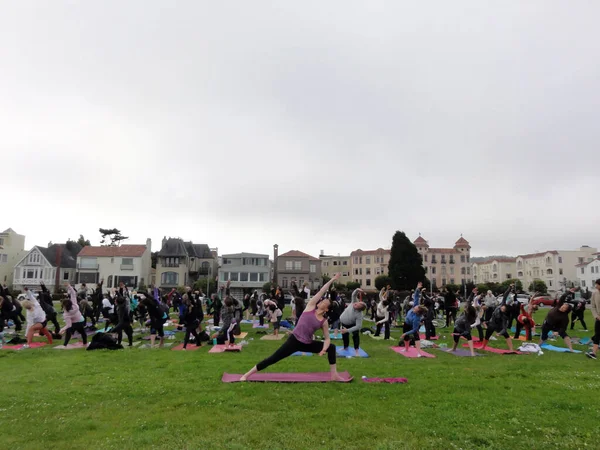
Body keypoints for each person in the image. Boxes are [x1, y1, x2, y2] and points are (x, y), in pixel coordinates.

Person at [239, 274, 345, 382]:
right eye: (322, 300)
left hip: (307, 344)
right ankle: (247, 375)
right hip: (294, 341)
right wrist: (332, 279)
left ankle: (334, 375)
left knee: (331, 347)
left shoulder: (324, 321)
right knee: (273, 358)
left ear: (326, 309)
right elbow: (322, 290)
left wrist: (323, 349)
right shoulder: (311, 306)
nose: (321, 301)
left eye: (324, 302)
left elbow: (327, 338)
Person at [480, 286, 515, 352]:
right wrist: (509, 288)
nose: (502, 308)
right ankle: (483, 346)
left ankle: (511, 349)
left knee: (506, 335)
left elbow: (504, 328)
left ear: (505, 311)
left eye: (503, 309)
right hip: (492, 324)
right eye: (503, 307)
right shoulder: (502, 304)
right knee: (487, 335)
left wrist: (500, 333)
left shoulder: (504, 317)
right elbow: (505, 295)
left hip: (499, 327)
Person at [339, 288, 366, 356]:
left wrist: (348, 330)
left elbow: (358, 326)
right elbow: (353, 295)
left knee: (355, 336)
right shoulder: (354, 302)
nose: (355, 304)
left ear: (359, 309)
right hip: (344, 323)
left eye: (357, 305)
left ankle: (356, 350)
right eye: (357, 303)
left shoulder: (359, 315)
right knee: (344, 336)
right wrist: (357, 290)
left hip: (352, 324)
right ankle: (345, 347)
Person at [586, 279, 600, 359]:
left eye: (597, 285)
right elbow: (593, 306)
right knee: (597, 335)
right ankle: (593, 353)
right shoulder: (595, 293)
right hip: (598, 318)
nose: (596, 286)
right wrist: (596, 316)